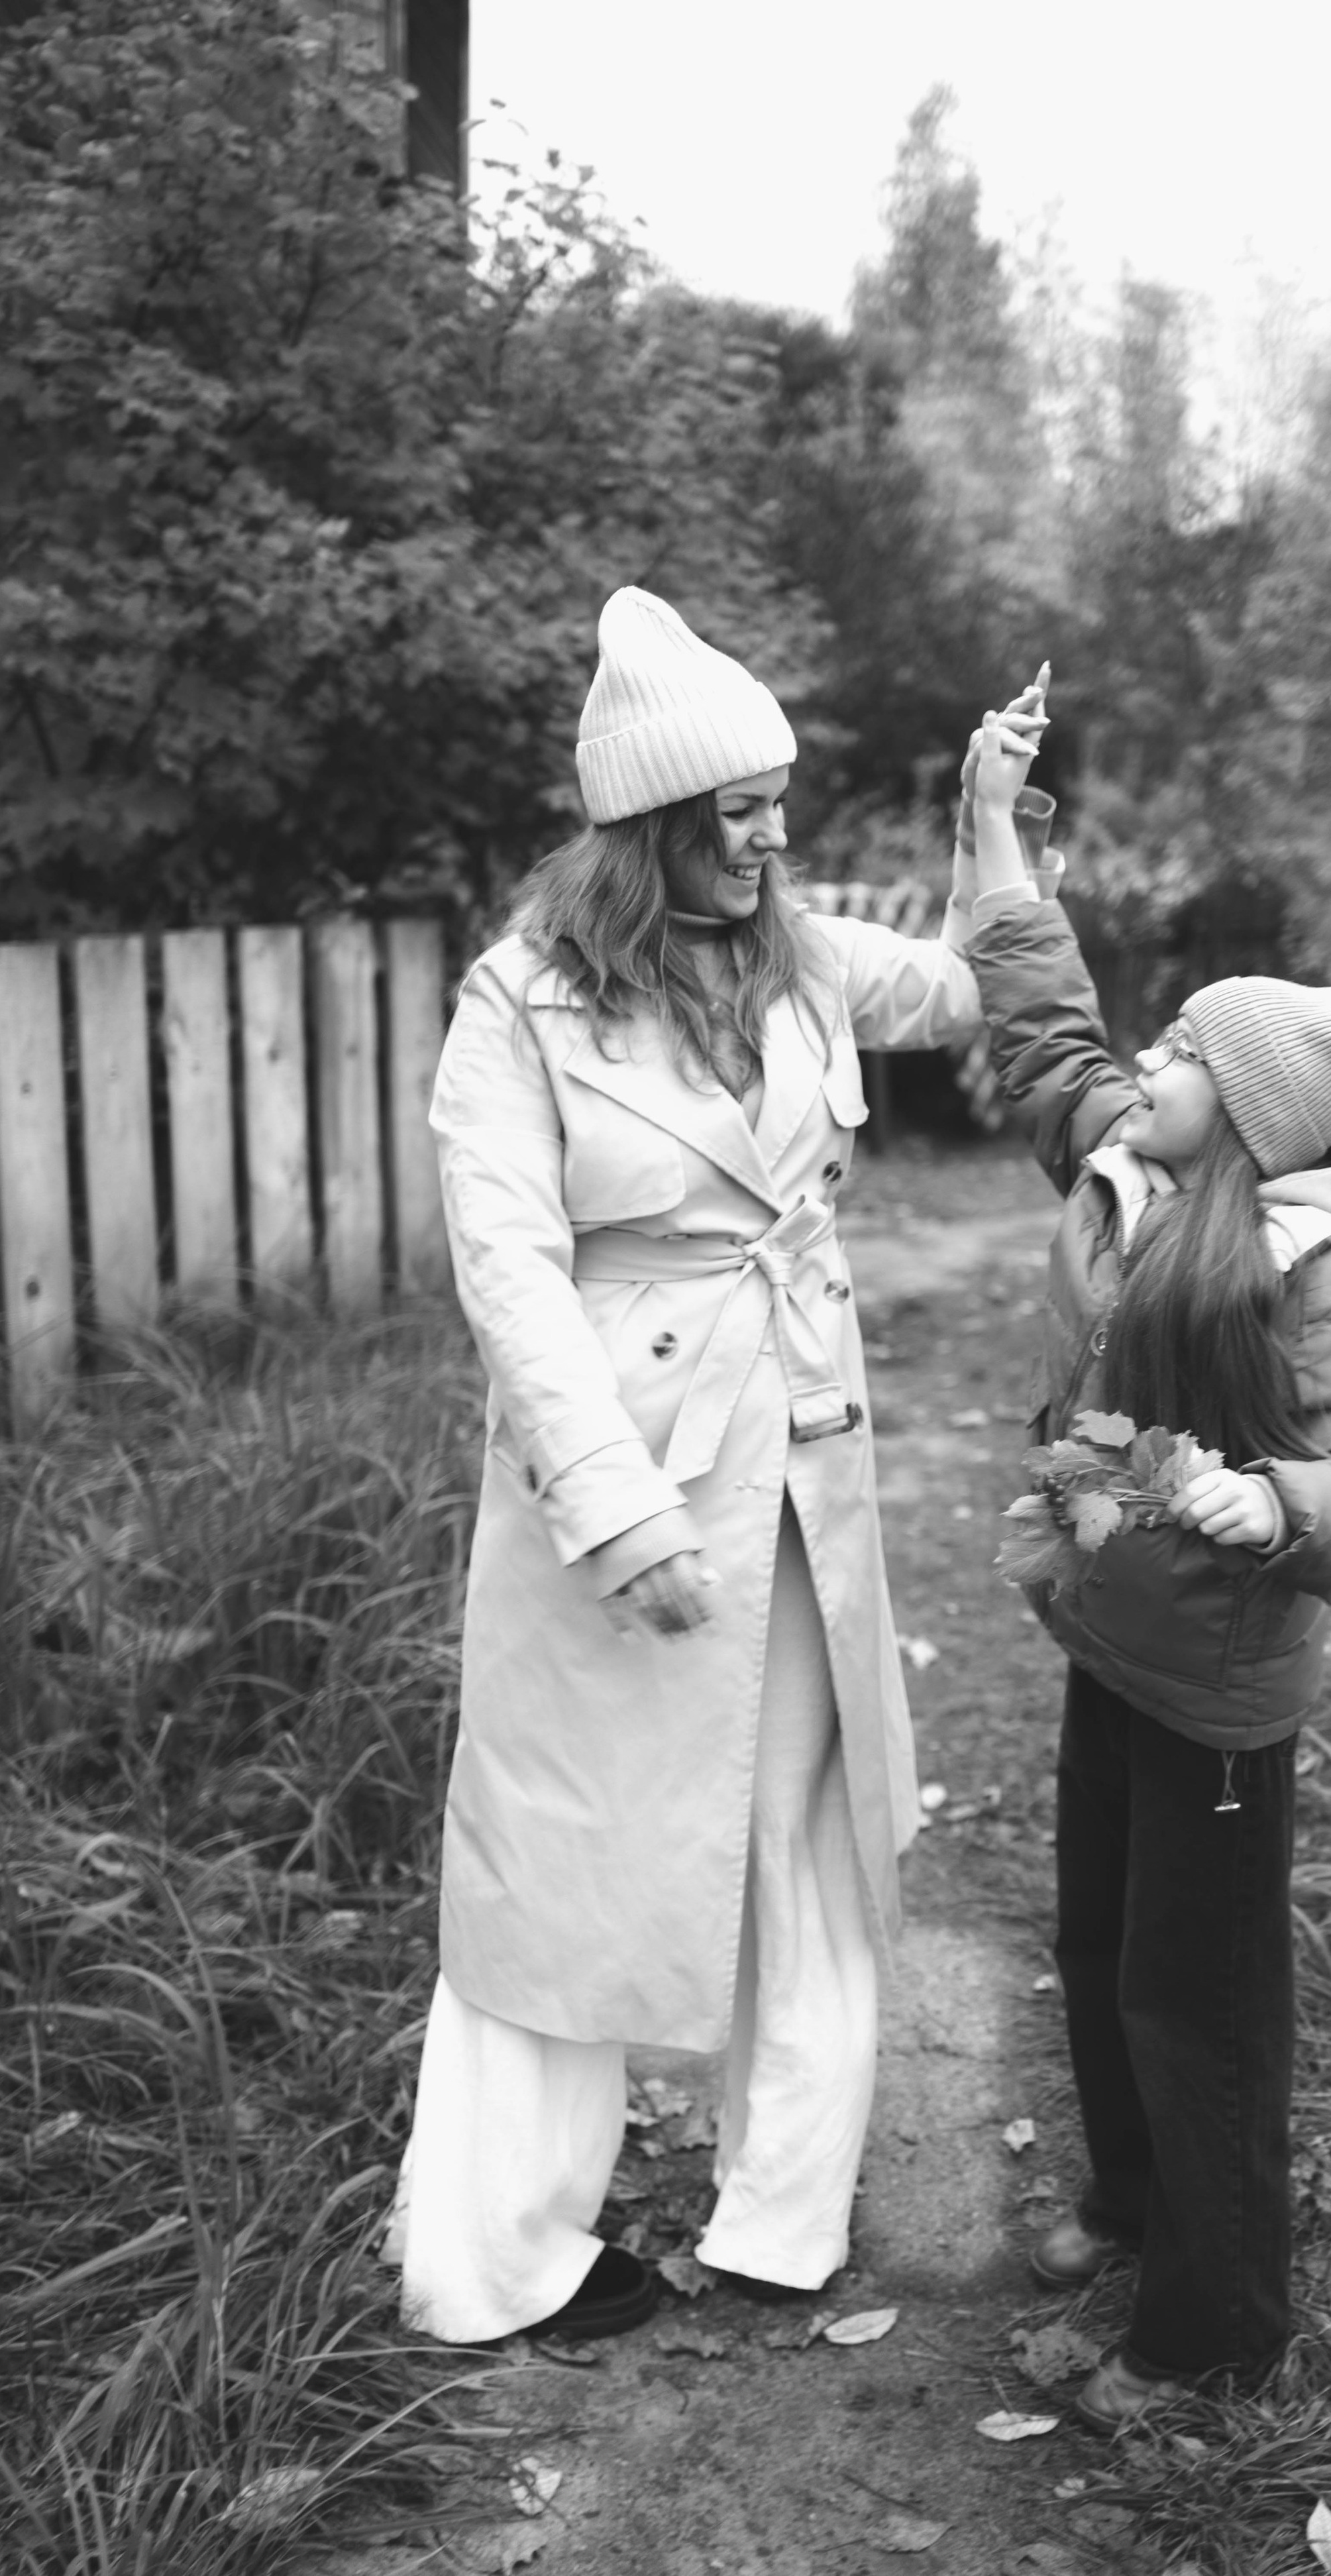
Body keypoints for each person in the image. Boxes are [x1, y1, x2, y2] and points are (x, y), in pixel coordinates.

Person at [383, 588, 993, 2349]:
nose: (769, 836)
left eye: (778, 802)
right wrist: (617, 1510)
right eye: (736, 810)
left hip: (802, 1457)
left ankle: (783, 2216)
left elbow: (973, 988)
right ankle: (493, 2257)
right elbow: (510, 1278)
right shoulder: (521, 1005)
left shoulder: (802, 955)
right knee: (553, 1849)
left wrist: (990, 825)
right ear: (646, 827)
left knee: (805, 1817)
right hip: (625, 1469)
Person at [961, 688, 1331, 2431]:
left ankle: (1213, 2329)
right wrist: (993, 828)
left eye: (1175, 1051)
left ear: (1233, 1116)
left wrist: (1279, 1508)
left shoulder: (1319, 1289)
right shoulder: (1123, 1171)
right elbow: (1043, 1029)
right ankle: (1134, 2202)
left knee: (1200, 2006)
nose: (1140, 1062)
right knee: (1099, 1951)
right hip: (1111, 1646)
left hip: (1221, 1701)